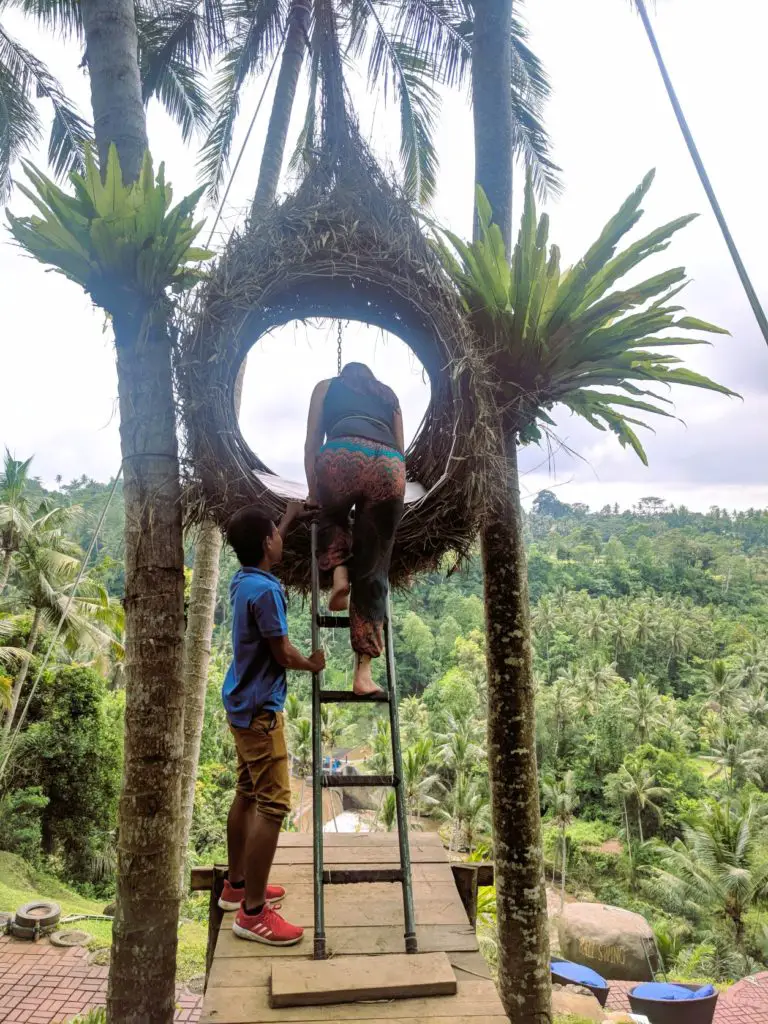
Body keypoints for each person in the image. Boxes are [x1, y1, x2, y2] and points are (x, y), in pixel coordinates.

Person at [217, 502, 325, 946]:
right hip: (261, 715)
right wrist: (312, 664)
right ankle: (254, 912)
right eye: (276, 535)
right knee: (275, 804)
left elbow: (264, 545)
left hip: (240, 706)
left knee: (247, 792)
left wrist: (286, 518)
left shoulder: (244, 580)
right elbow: (282, 654)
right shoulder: (266, 592)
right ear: (266, 544)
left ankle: (236, 885)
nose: (280, 539)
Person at [304, 362, 406, 696]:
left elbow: (311, 444)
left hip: (341, 454)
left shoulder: (325, 386)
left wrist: (314, 493)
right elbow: (400, 450)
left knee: (330, 515)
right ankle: (363, 675)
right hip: (389, 465)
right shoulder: (388, 394)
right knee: (375, 567)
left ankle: (338, 577)